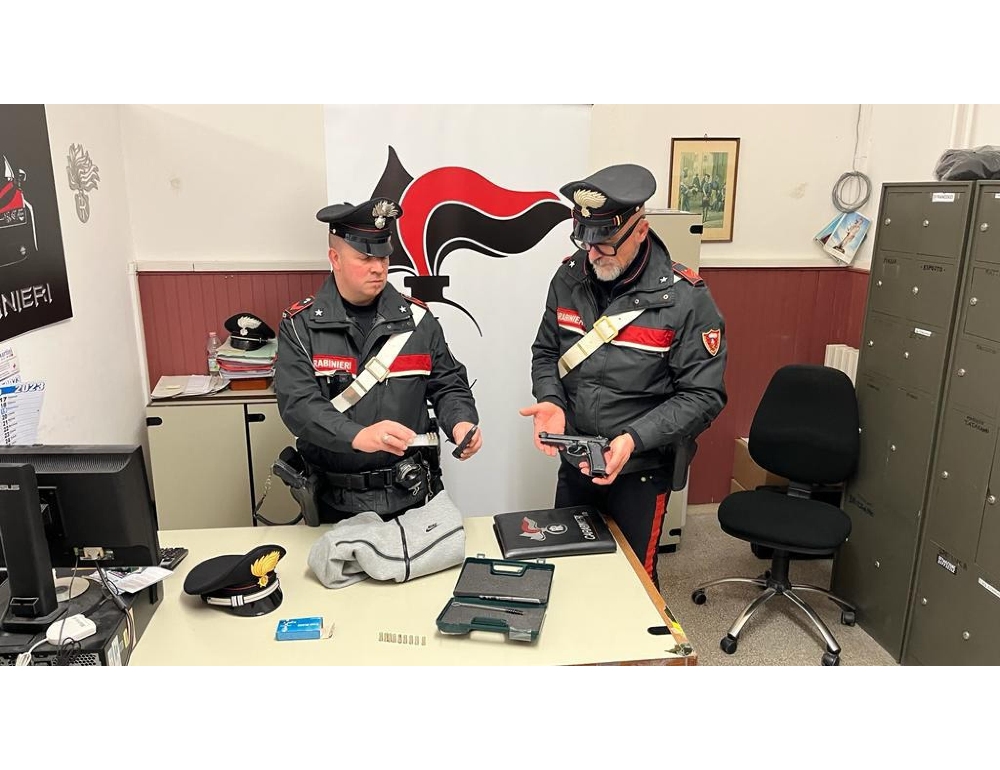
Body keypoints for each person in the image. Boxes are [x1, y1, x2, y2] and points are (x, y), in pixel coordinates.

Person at [520, 164, 727, 583]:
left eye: (606, 244)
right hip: (577, 457)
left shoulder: (685, 299)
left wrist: (633, 439)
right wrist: (551, 401)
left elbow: (703, 395)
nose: (593, 254)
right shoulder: (569, 277)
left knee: (633, 582)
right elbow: (546, 353)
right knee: (569, 571)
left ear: (640, 230)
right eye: (585, 240)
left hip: (641, 468)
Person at [275, 196, 482, 523]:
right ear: (335, 258)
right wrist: (357, 436)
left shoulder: (418, 320)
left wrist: (461, 422)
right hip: (334, 502)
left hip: (411, 496)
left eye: (383, 257)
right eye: (364, 258)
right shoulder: (300, 326)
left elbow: (448, 384)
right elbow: (299, 406)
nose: (378, 268)